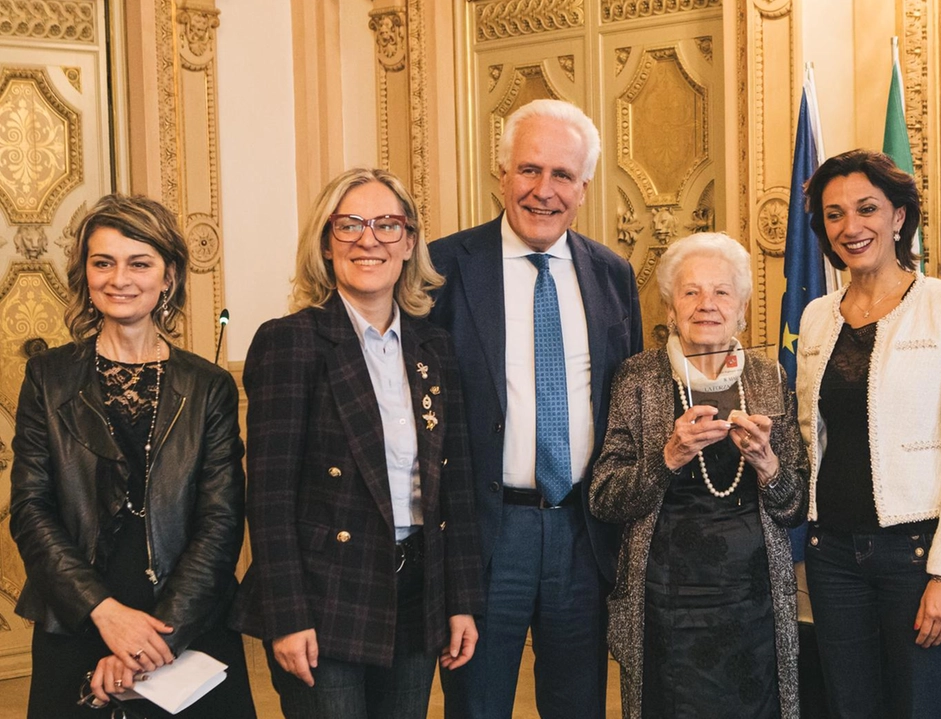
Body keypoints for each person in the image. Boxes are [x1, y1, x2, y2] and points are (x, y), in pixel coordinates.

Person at [230, 168, 484, 719]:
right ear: (326, 243)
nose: (369, 239)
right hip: (325, 599)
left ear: (410, 242)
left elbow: (455, 491)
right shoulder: (290, 342)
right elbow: (268, 500)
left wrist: (460, 601)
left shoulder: (434, 348)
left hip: (416, 595)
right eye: (349, 225)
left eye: (387, 225)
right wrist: (288, 614)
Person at [429, 98, 644, 719]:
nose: (543, 191)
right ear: (501, 176)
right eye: (528, 170)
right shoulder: (443, 268)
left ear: (584, 188)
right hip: (487, 535)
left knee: (578, 704)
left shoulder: (612, 274)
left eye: (562, 176)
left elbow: (624, 406)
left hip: (583, 532)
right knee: (478, 706)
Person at [9, 194, 255, 718]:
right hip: (77, 614)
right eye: (104, 262)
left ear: (168, 277)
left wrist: (152, 640)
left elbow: (221, 521)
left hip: (186, 618)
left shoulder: (208, 386)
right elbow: (31, 511)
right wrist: (104, 613)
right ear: (85, 274)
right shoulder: (47, 378)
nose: (120, 278)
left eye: (139, 263)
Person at [795, 150, 941, 718]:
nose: (851, 228)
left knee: (921, 708)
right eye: (834, 215)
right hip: (830, 554)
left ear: (899, 216)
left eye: (866, 209)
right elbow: (811, 434)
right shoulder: (816, 315)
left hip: (915, 556)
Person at [590, 232, 808, 719]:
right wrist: (666, 457)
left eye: (722, 292)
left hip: (754, 602)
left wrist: (769, 466)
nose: (706, 304)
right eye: (691, 292)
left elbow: (794, 507)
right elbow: (604, 498)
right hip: (667, 603)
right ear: (669, 309)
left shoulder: (768, 378)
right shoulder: (638, 377)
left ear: (743, 309)